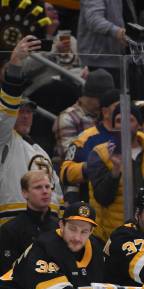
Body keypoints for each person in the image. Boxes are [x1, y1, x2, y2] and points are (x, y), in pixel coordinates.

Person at [0, 35, 63, 227]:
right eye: (21, 111)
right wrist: (16, 64)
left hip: (47, 225)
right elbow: (5, 114)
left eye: (29, 112)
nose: (26, 116)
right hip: (13, 225)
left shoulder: (39, 150)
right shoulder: (5, 138)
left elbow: (56, 192)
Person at [87, 103, 144, 242]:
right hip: (112, 235)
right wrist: (116, 169)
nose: (123, 124)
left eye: (130, 120)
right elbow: (102, 198)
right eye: (118, 120)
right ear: (112, 126)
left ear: (139, 125)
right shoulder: (100, 154)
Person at [59, 88, 120, 204]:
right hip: (94, 206)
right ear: (106, 112)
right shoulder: (86, 138)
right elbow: (65, 172)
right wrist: (92, 167)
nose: (125, 111)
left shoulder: (135, 137)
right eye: (119, 107)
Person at [0, 171, 59, 275]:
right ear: (25, 193)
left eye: (47, 186)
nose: (45, 191)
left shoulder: (60, 227)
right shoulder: (10, 230)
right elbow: (7, 273)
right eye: (38, 187)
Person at [53, 69, 115, 159]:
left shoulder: (108, 115)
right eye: (101, 100)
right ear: (88, 96)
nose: (104, 104)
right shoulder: (68, 118)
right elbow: (70, 156)